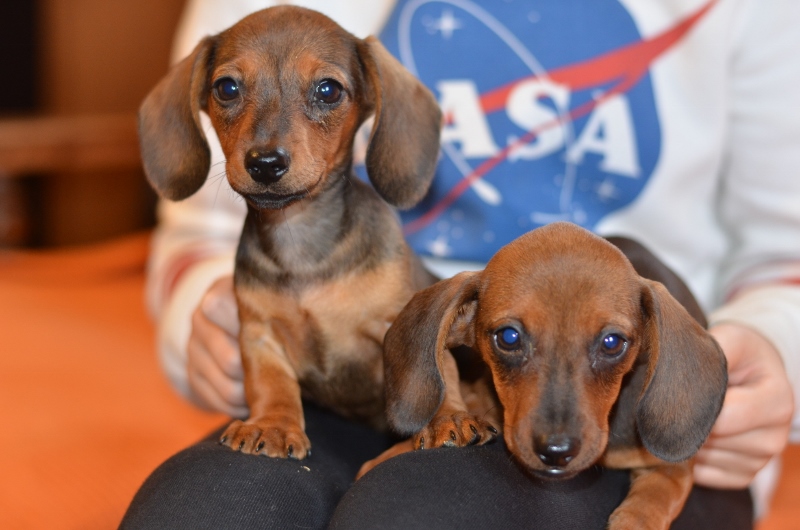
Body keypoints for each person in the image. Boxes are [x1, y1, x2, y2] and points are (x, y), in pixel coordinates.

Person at [123, 0, 799, 528]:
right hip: (350, 387)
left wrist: (774, 351)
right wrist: (213, 318)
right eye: (231, 90)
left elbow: (786, 251)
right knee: (200, 514)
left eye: (326, 92)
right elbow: (205, 226)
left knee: (411, 517)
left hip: (638, 404)